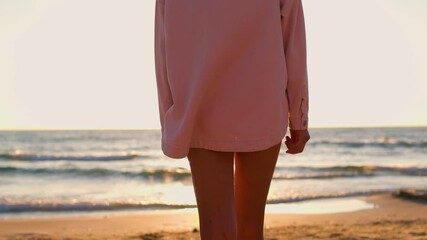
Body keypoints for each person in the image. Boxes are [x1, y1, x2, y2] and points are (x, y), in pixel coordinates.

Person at [154, 0, 310, 239]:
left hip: (198, 106)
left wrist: (171, 119)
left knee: (217, 232)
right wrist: (299, 117)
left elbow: (163, 42)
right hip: (262, 100)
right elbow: (293, 36)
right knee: (250, 230)